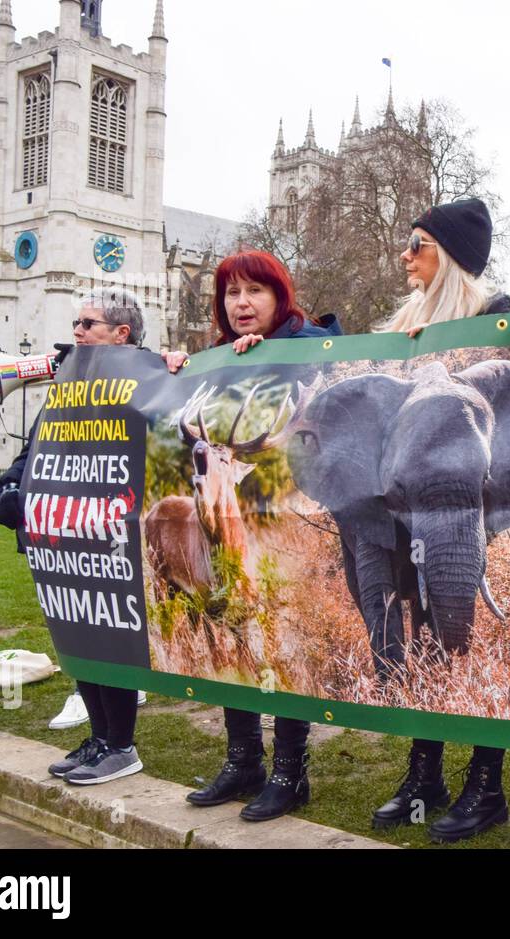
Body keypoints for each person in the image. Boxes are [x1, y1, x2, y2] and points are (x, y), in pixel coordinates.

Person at [368, 198, 510, 843]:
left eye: (419, 244)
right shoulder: (406, 326)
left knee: (467, 625)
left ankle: (487, 784)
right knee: (424, 630)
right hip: (413, 502)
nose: (405, 256)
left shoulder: (497, 316)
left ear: (450, 256)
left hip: (470, 499)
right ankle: (424, 772)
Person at [179, 250, 341, 821]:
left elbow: (331, 366)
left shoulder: (313, 344)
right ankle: (243, 758)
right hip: (226, 512)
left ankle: (291, 772)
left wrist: (278, 358)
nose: (241, 304)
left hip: (288, 518)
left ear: (279, 296)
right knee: (231, 624)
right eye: (230, 293)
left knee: (284, 633)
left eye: (253, 292)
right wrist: (182, 367)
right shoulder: (221, 358)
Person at [0, 288, 150, 783]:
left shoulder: (144, 381)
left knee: (112, 639)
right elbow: (40, 441)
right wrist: (13, 481)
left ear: (120, 334)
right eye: (78, 324)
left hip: (110, 537)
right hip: (62, 536)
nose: (77, 333)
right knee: (78, 633)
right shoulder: (69, 381)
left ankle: (121, 746)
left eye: (87, 324)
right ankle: (100, 738)